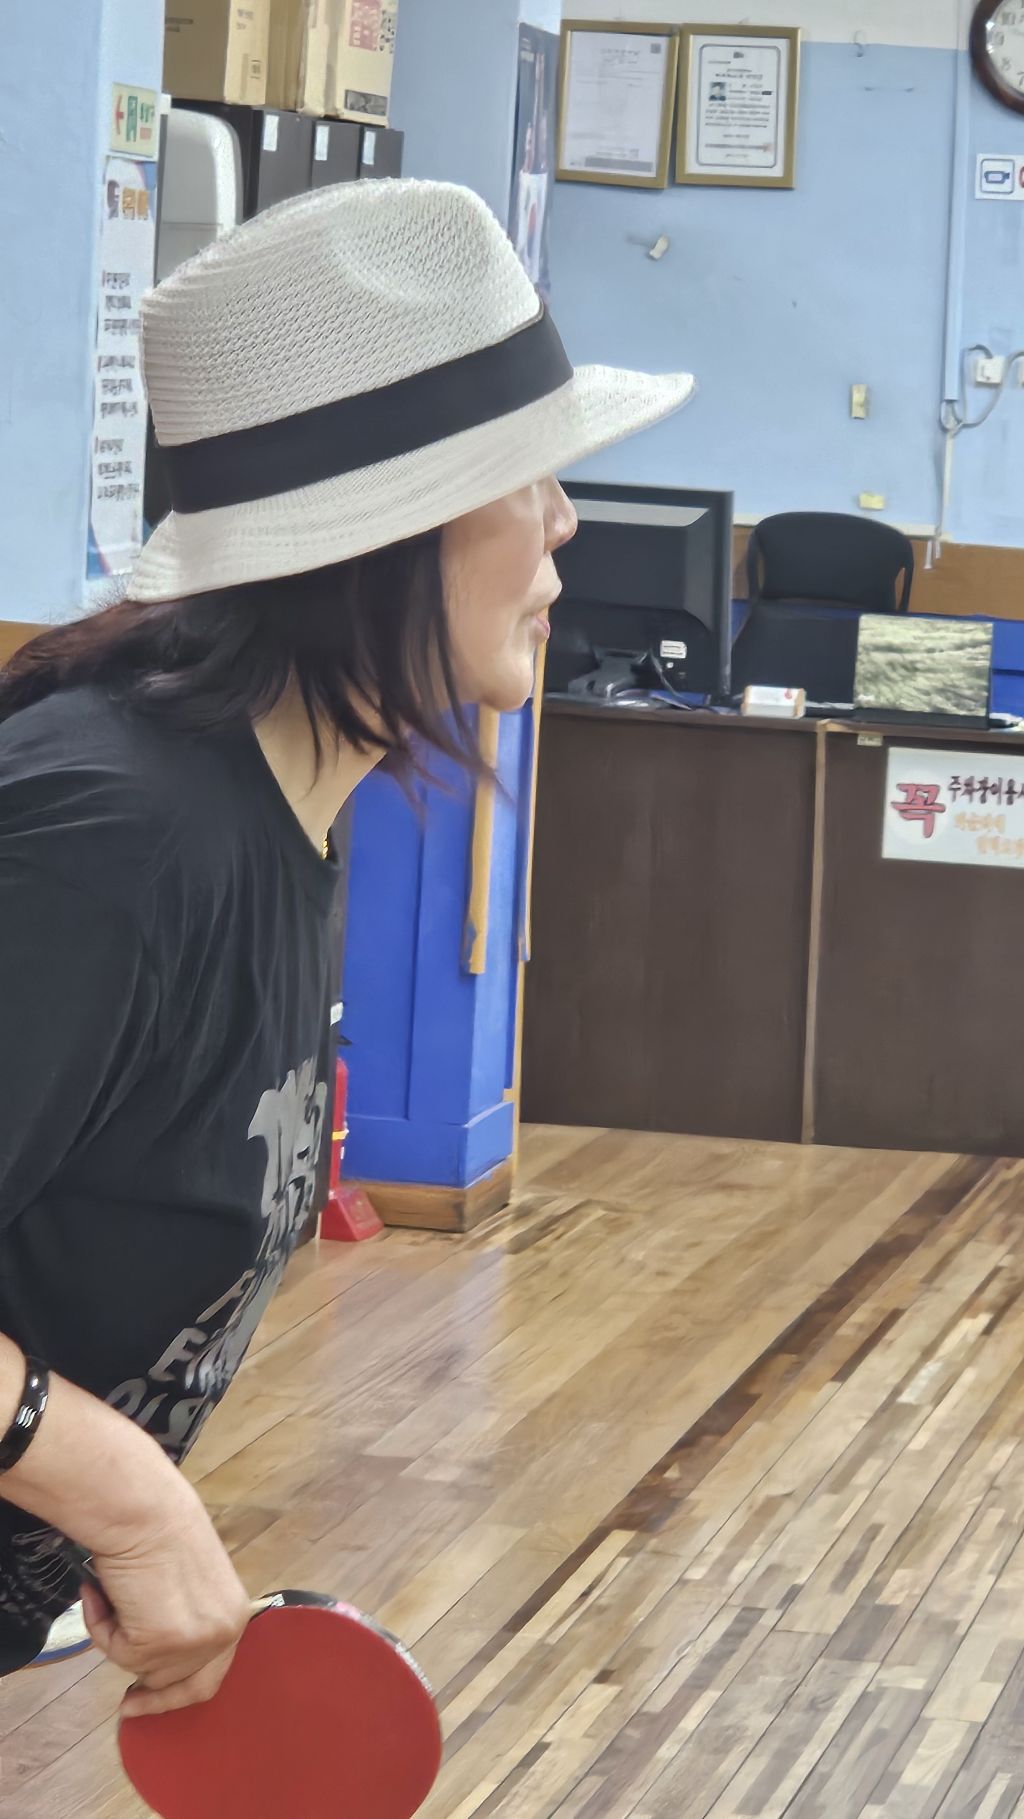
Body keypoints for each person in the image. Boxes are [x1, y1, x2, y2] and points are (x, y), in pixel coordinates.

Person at [0, 180, 693, 1708]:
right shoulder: (113, 833)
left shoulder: (284, 820)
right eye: (529, 480)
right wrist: (125, 1496)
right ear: (389, 535)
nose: (566, 525)